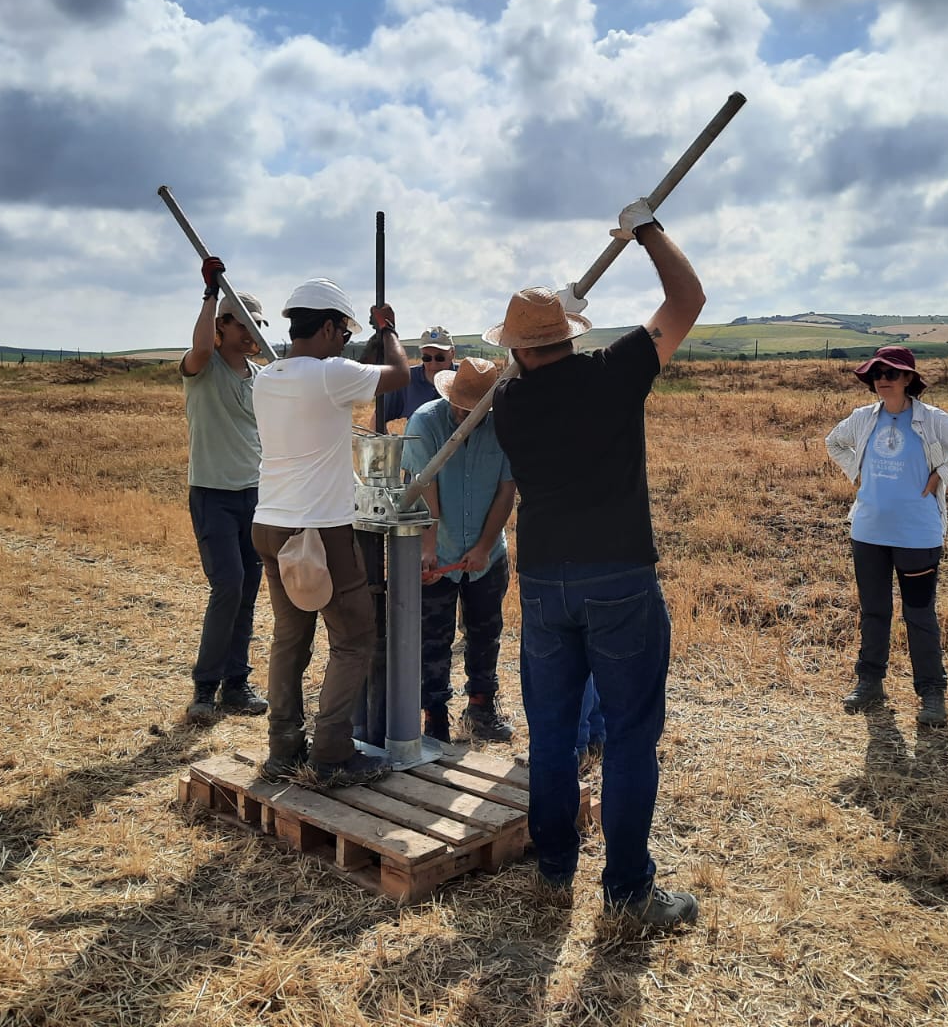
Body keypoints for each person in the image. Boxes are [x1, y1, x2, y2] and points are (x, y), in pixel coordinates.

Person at [488, 197, 704, 930]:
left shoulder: (508, 404)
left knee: (550, 735)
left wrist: (549, 323)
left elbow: (511, 368)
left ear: (518, 348)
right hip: (618, 579)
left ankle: (554, 868)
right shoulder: (614, 373)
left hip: (544, 583)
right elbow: (687, 299)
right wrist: (646, 230)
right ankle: (628, 891)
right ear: (571, 337)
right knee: (631, 733)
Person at [250, 279, 411, 786]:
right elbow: (400, 375)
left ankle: (283, 749)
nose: (344, 340)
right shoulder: (329, 376)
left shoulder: (267, 376)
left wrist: (369, 338)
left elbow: (346, 373)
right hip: (319, 531)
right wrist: (391, 332)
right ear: (324, 327)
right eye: (341, 331)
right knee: (353, 636)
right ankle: (334, 751)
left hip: (270, 524)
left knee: (290, 638)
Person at [825, 346, 948, 727]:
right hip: (868, 531)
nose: (883, 378)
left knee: (919, 615)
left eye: (892, 372)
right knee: (874, 610)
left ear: (908, 380)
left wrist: (943, 476)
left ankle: (932, 695)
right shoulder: (861, 419)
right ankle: (870, 683)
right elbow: (833, 442)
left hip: (918, 535)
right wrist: (859, 472)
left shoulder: (933, 421)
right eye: (877, 372)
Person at [401, 357, 518, 744]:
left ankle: (481, 707)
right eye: (458, 402)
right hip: (438, 549)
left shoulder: (503, 425)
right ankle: (435, 717)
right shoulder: (425, 422)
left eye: (472, 405)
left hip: (487, 555)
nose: (461, 411)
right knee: (433, 638)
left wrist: (484, 547)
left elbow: (506, 491)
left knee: (486, 632)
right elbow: (425, 487)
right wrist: (429, 547)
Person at [179, 256, 273, 725]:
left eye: (258, 323)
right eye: (246, 323)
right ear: (223, 325)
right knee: (228, 585)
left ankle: (237, 684)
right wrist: (210, 292)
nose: (254, 331)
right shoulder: (204, 367)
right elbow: (198, 345)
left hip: (252, 497)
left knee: (248, 589)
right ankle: (205, 687)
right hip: (212, 494)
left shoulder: (259, 379)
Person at [372, 326, 457, 431]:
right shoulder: (406, 379)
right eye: (427, 358)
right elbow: (378, 418)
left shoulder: (466, 376)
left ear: (452, 353)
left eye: (440, 358)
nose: (433, 364)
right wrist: (388, 446)